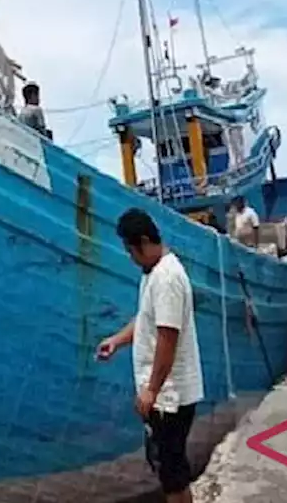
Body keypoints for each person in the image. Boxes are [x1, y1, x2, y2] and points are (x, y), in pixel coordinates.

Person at [97, 209, 204, 501]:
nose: (131, 257)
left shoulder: (167, 278)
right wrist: (117, 341)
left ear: (144, 242)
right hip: (166, 396)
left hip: (171, 397)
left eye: (131, 250)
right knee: (173, 469)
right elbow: (146, 320)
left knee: (171, 473)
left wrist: (151, 391)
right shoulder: (153, 273)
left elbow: (168, 338)